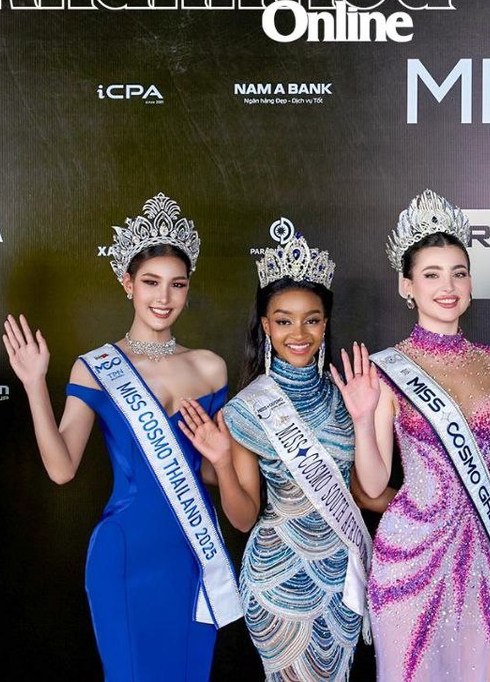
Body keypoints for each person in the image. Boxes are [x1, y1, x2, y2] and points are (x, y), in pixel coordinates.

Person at [1, 193, 242, 681]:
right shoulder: (97, 367)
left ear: (188, 289)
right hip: (124, 552)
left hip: (191, 555)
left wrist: (222, 460)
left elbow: (217, 475)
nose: (163, 297)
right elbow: (62, 469)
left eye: (177, 284)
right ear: (128, 283)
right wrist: (34, 384)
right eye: (151, 282)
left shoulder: (211, 368)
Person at [335, 189, 490, 681]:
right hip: (408, 555)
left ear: (471, 282)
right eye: (432, 274)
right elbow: (374, 484)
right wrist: (362, 418)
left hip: (479, 551)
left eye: (459, 272)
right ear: (407, 285)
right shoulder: (389, 368)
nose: (448, 286)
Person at [178, 232, 373, 681]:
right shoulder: (248, 409)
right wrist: (223, 462)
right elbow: (244, 518)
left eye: (311, 320)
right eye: (284, 321)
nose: (298, 334)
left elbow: (364, 488)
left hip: (343, 580)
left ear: (325, 324)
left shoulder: (349, 397)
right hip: (277, 579)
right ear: (266, 326)